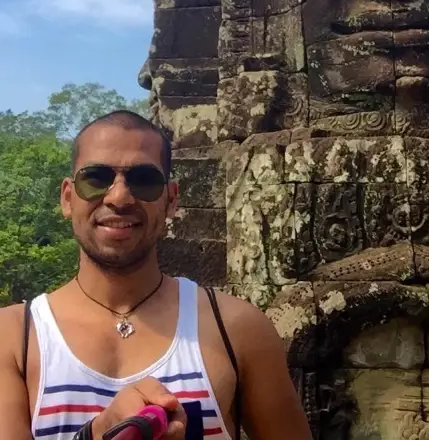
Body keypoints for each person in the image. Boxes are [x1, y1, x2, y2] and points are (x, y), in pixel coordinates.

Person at [0, 110, 313, 440]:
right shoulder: (14, 338)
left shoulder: (237, 329)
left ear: (171, 200)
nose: (119, 197)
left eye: (144, 181)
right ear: (67, 198)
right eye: (96, 178)